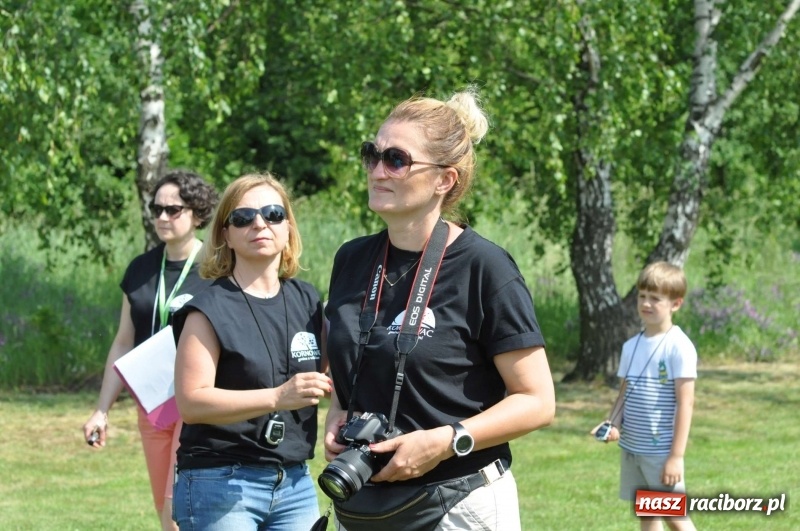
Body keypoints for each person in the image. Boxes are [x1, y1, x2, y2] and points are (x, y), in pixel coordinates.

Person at [322, 86, 556, 531]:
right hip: (368, 505)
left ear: (444, 180)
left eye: (396, 159)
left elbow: (538, 401)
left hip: (459, 504)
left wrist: (447, 441)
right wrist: (338, 413)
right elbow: (356, 358)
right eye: (372, 154)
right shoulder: (351, 259)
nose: (377, 170)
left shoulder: (485, 266)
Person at [171, 172, 331, 531]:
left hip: (294, 481)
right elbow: (192, 403)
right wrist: (277, 397)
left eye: (273, 214)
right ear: (225, 234)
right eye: (243, 218)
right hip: (221, 481)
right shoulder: (206, 309)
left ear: (288, 227)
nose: (260, 224)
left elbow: (329, 374)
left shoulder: (307, 300)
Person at [82, 169, 219, 531]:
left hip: (196, 400)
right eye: (156, 208)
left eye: (173, 210)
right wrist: (101, 410)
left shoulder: (216, 268)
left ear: (198, 213)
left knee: (178, 506)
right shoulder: (141, 269)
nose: (161, 217)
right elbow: (124, 342)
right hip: (153, 402)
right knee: (163, 506)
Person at [591, 261, 697, 531]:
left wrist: (676, 456)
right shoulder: (630, 346)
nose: (646, 303)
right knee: (647, 513)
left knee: (676, 517)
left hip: (661, 453)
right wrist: (612, 423)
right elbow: (625, 393)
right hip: (633, 450)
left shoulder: (679, 346)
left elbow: (686, 404)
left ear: (676, 304)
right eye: (642, 296)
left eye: (655, 298)